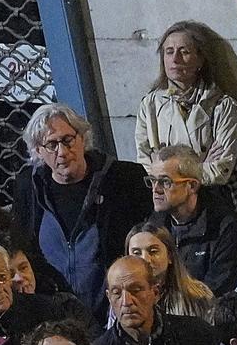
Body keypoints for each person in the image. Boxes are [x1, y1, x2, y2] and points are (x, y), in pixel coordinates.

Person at [12, 102, 153, 307]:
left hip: (116, 307)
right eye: (52, 144)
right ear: (38, 151)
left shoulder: (123, 178)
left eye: (68, 140)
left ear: (82, 138)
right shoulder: (29, 186)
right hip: (55, 310)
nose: (62, 151)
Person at [136, 21, 237, 230]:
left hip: (213, 207)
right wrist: (198, 166)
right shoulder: (150, 106)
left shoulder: (223, 106)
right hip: (172, 210)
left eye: (184, 52)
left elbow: (220, 169)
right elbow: (144, 162)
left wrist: (169, 173)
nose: (175, 59)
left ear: (200, 59)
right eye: (169, 52)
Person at [92, 254, 216, 345]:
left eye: (136, 290)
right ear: (108, 297)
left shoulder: (197, 335)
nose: (126, 302)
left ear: (155, 293)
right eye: (117, 293)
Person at [144, 143, 237, 297]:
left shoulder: (222, 227)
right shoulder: (153, 227)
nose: (155, 189)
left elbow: (216, 291)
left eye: (165, 182)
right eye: (153, 180)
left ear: (192, 186)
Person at [126, 221, 215, 322]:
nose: (145, 259)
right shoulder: (122, 299)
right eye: (136, 253)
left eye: (153, 251)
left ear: (170, 256)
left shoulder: (198, 296)